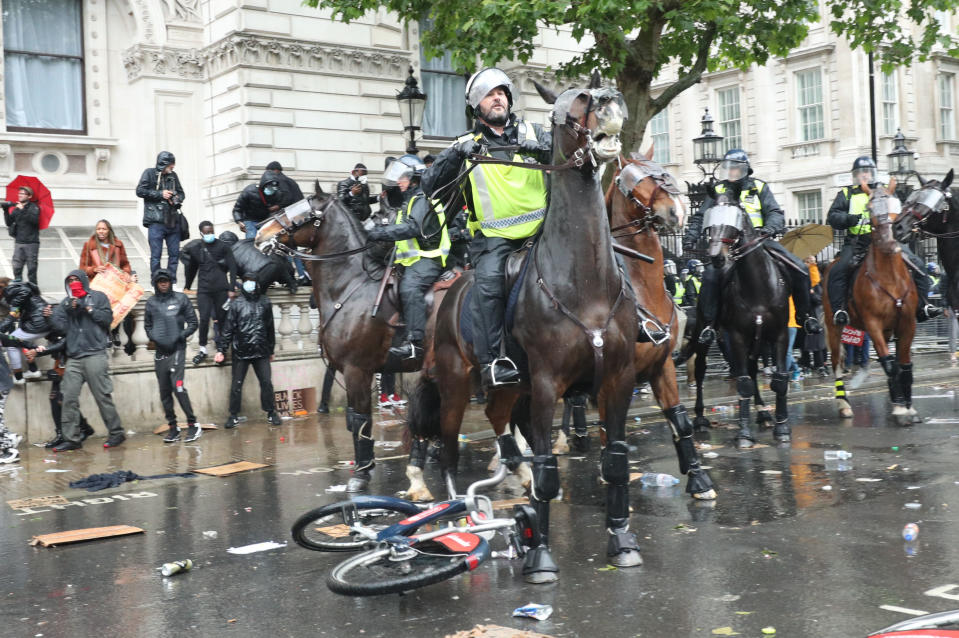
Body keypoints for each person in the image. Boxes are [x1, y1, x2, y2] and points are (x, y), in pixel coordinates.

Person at [421, 67, 552, 388]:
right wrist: (455, 155)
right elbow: (429, 184)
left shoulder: (535, 133)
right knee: (489, 285)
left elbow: (573, 158)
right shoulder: (465, 144)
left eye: (502, 93)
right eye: (490, 94)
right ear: (476, 106)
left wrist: (544, 149)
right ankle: (494, 360)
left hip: (543, 231)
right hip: (495, 239)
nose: (498, 98)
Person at [683, 149, 822, 345]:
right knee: (710, 277)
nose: (730, 172)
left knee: (799, 268)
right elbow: (700, 217)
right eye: (727, 168)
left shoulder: (759, 187)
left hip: (759, 240)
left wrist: (768, 229)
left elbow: (775, 212)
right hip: (728, 246)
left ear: (745, 170)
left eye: (735, 168)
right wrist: (690, 237)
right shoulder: (718, 190)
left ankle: (806, 316)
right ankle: (709, 325)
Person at [827, 156, 942, 326]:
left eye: (867, 172)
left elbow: (899, 211)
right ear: (855, 175)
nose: (864, 175)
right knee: (839, 269)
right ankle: (839, 310)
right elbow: (833, 216)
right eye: (860, 173)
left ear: (872, 173)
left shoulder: (886, 191)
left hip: (886, 238)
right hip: (858, 241)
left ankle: (923, 305)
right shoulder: (846, 193)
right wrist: (851, 219)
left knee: (917, 263)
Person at [367, 155, 450, 360]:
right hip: (409, 260)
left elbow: (412, 228)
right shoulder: (409, 201)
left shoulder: (421, 199)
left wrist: (379, 232)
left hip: (428, 258)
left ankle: (415, 343)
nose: (399, 182)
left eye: (403, 178)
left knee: (410, 288)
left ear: (414, 179)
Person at [50, 271, 125, 451]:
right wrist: (61, 312)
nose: (74, 283)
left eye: (76, 280)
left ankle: (116, 433)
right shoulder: (66, 301)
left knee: (102, 396)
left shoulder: (98, 297)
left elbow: (108, 319)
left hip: (95, 354)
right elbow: (57, 326)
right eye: (70, 281)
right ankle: (72, 439)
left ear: (83, 281)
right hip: (74, 357)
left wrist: (87, 308)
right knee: (68, 397)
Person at [214, 272, 281, 428]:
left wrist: (271, 349)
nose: (249, 284)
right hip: (241, 352)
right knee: (236, 385)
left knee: (266, 383)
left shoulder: (265, 302)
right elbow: (228, 329)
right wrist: (221, 350)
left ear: (256, 283)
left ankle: (271, 412)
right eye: (246, 281)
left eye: (251, 281)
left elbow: (270, 327)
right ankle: (233, 415)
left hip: (261, 350)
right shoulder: (236, 304)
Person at [145, 269, 200, 442]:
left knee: (178, 387)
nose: (163, 283)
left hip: (177, 350)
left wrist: (180, 336)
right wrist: (154, 337)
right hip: (161, 353)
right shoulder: (151, 302)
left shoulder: (181, 299)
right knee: (164, 391)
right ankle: (173, 428)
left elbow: (193, 322)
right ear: (155, 283)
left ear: (170, 282)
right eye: (160, 281)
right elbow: (147, 325)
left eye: (166, 281)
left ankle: (193, 425)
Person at [182, 221, 238, 365]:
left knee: (222, 319)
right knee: (204, 319)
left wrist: (232, 288)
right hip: (204, 289)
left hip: (221, 289)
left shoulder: (223, 246)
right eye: (206, 232)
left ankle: (222, 349)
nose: (209, 234)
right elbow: (192, 268)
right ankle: (202, 349)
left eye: (211, 231)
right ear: (201, 233)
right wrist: (187, 286)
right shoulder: (196, 247)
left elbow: (233, 267)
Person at [28, 330, 94, 449]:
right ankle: (64, 433)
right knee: (54, 398)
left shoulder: (68, 317)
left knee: (63, 399)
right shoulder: (51, 315)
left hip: (74, 358)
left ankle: (79, 429)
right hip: (61, 359)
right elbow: (52, 335)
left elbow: (64, 341)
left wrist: (38, 351)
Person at [136, 151, 184, 282]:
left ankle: (171, 281)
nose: (172, 168)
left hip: (172, 219)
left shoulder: (173, 176)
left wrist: (176, 197)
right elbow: (140, 191)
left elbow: (181, 193)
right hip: (155, 221)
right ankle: (157, 281)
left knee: (174, 254)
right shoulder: (149, 173)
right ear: (164, 163)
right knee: (156, 255)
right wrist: (160, 194)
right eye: (170, 165)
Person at [0, 278, 50, 383]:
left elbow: (14, 312)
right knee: (20, 341)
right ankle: (33, 370)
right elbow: (15, 313)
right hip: (44, 322)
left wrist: (15, 304)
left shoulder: (10, 291)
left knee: (11, 343)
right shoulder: (17, 288)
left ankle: (18, 377)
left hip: (38, 323)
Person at [0, 331, 38, 463]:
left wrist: (32, 346)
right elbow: (12, 339)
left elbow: (11, 339)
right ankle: (10, 437)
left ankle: (10, 450)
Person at [2, 185, 40, 285]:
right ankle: (19, 288)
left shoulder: (34, 207)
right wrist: (5, 210)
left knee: (32, 269)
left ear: (29, 196)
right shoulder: (17, 209)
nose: (20, 195)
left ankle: (34, 292)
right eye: (19, 193)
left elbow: (34, 221)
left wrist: (23, 209)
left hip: (31, 243)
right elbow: (9, 222)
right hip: (19, 242)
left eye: (22, 194)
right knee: (17, 267)